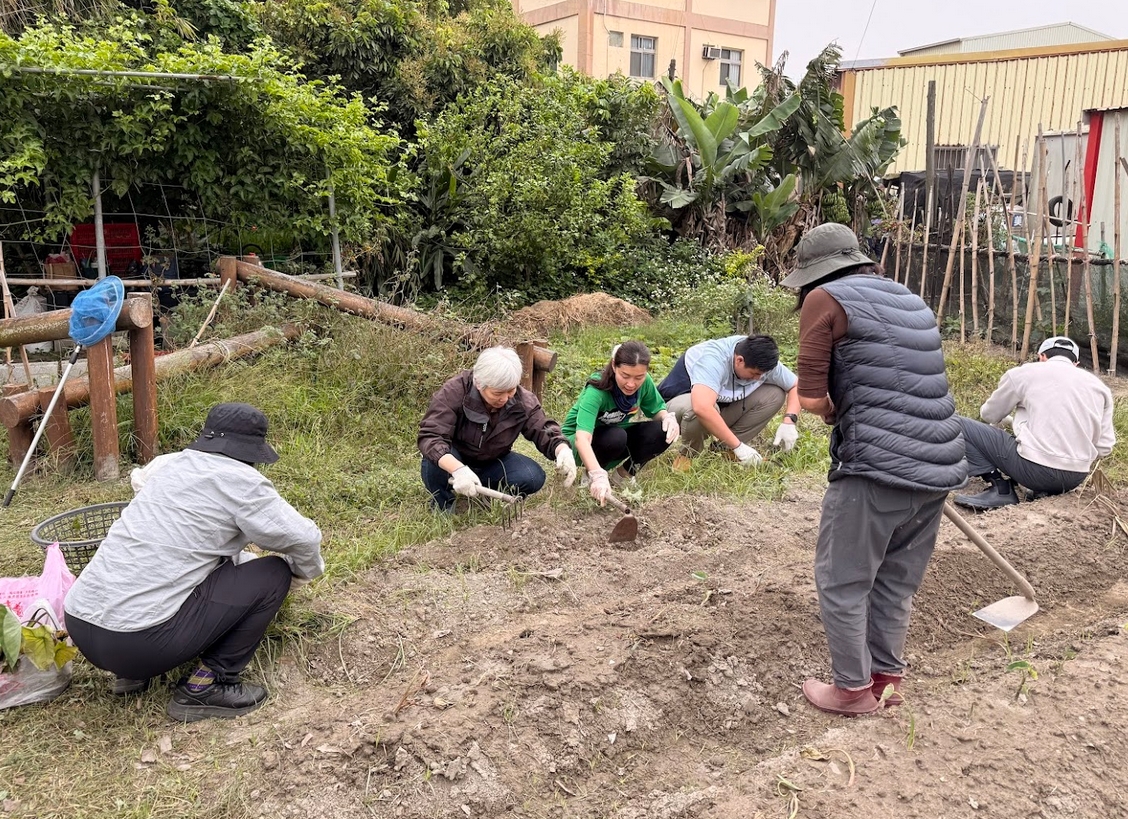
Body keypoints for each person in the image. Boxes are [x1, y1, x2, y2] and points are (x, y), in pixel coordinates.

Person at [784, 223, 967, 716]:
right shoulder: (909, 298)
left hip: (876, 467)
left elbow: (812, 397)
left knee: (842, 581)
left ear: (815, 272)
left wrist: (831, 413)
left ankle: (850, 691)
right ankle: (887, 681)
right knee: (894, 580)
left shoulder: (823, 300)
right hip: (939, 463)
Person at [64, 402, 324, 722]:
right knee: (274, 573)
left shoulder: (168, 464)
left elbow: (139, 481)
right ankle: (205, 685)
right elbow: (304, 538)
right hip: (136, 643)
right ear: (251, 452)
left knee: (189, 564)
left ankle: (130, 676)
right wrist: (301, 574)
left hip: (78, 620)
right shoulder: (242, 482)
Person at [953, 335, 1114, 510]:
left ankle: (1000, 487)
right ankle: (1040, 489)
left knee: (957, 423)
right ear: (1075, 363)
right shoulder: (1100, 388)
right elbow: (1104, 447)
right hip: (1075, 477)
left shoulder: (1024, 373)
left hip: (1033, 471)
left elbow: (990, 415)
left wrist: (1010, 420)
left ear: (1042, 356)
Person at [419, 346, 577, 511]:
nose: (505, 398)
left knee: (532, 476)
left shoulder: (523, 401)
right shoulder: (455, 391)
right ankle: (442, 504)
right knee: (434, 457)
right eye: (497, 393)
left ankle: (484, 492)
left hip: (491, 461)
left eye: (510, 390)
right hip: (455, 458)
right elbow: (431, 437)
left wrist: (562, 449)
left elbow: (543, 428)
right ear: (479, 384)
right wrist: (457, 469)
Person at [656, 333, 802, 471]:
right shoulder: (713, 359)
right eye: (754, 374)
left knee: (774, 394)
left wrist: (789, 420)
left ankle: (726, 450)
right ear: (739, 361)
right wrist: (738, 446)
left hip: (717, 409)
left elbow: (796, 385)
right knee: (700, 407)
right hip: (670, 414)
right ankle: (688, 455)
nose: (758, 379)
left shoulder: (759, 358)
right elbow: (702, 407)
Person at [561, 341, 680, 504]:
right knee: (616, 436)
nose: (631, 384)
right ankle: (591, 476)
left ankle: (623, 476)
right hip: (575, 443)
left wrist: (668, 418)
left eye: (639, 377)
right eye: (625, 376)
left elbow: (657, 409)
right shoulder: (597, 390)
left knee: (662, 431)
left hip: (615, 433)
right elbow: (582, 439)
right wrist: (597, 474)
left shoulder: (644, 383)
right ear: (614, 366)